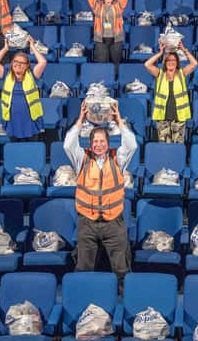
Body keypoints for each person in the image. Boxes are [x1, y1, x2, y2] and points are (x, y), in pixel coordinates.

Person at [64, 101, 137, 288]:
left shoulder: (118, 159)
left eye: (102, 141)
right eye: (95, 142)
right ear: (89, 144)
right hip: (87, 222)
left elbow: (131, 145)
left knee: (121, 269)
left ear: (108, 143)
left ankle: (123, 304)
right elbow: (68, 145)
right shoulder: (81, 159)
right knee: (83, 268)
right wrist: (80, 120)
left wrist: (119, 121)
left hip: (114, 223)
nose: (98, 145)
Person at [0, 37, 47, 141]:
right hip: (12, 120)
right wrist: (5, 49)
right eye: (15, 61)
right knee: (14, 150)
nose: (18, 64)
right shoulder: (6, 73)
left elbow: (42, 62)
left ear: (27, 66)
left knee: (32, 149)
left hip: (30, 119)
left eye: (22, 63)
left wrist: (32, 47)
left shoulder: (33, 73)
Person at [144, 40, 198, 143]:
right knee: (165, 148)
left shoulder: (182, 73)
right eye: (168, 60)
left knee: (177, 148)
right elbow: (147, 64)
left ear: (177, 62)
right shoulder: (160, 74)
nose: (171, 62)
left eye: (173, 60)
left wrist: (184, 50)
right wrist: (160, 53)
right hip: (162, 118)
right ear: (165, 62)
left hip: (179, 118)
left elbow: (194, 63)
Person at [86, 0, 129, 66]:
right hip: (101, 39)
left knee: (116, 64)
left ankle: (116, 80)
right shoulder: (97, 6)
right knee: (102, 65)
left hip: (116, 39)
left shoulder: (118, 6)